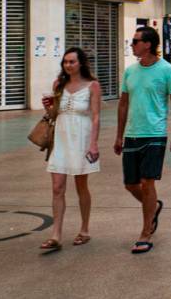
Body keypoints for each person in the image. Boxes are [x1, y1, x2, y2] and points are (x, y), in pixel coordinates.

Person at [114, 26, 171, 254]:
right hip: (132, 134)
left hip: (154, 134)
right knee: (130, 184)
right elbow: (123, 104)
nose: (132, 44)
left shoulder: (167, 70)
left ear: (148, 44)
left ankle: (146, 232)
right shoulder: (130, 72)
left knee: (147, 182)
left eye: (135, 41)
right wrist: (118, 135)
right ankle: (153, 207)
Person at [40, 48, 102, 251]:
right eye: (65, 62)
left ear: (81, 63)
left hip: (82, 139)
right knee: (57, 187)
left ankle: (85, 230)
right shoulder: (58, 85)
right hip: (61, 139)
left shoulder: (93, 86)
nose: (67, 65)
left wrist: (93, 143)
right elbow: (54, 114)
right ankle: (56, 235)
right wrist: (48, 107)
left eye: (72, 62)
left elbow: (95, 117)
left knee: (81, 185)